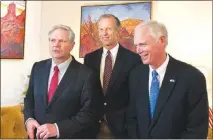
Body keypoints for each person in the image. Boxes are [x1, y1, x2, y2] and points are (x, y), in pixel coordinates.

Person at [127, 20, 209, 139]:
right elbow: (132, 118)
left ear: (161, 40)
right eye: (136, 45)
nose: (138, 50)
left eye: (143, 44)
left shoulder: (192, 77)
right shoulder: (136, 75)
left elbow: (197, 130)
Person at [23, 24, 104, 139]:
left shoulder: (87, 75)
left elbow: (90, 113)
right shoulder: (38, 67)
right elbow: (29, 99)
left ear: (72, 45)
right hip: (37, 136)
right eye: (53, 40)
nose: (56, 44)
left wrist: (57, 128)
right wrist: (29, 119)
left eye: (62, 41)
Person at [84, 14, 141, 138]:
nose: (104, 33)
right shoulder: (89, 58)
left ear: (118, 31)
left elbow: (136, 96)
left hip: (121, 127)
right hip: (93, 125)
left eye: (108, 29)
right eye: (101, 29)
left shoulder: (134, 60)